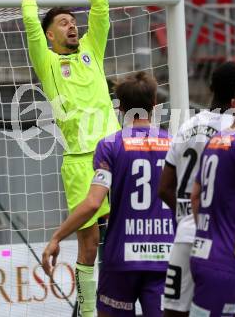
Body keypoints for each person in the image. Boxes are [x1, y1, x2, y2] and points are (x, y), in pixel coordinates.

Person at [19, 0, 119, 316]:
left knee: (131, 232)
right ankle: (88, 310)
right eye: (63, 23)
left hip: (116, 154)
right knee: (90, 244)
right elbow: (30, 19)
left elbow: (102, 3)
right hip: (80, 161)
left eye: (73, 21)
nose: (72, 25)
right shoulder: (46, 63)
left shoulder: (94, 47)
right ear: (49, 36)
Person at [42, 71, 175, 316]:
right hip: (164, 257)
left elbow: (93, 203)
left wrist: (57, 237)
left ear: (121, 107)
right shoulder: (173, 144)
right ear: (155, 103)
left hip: (121, 258)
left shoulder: (110, 145)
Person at [159, 62, 235, 316]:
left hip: (188, 235)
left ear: (210, 88)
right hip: (227, 239)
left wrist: (185, 216)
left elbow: (164, 188)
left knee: (175, 312)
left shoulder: (187, 126)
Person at [190, 77, 235, 316]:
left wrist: (206, 231)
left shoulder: (216, 139)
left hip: (210, 251)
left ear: (234, 104)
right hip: (227, 259)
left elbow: (195, 196)